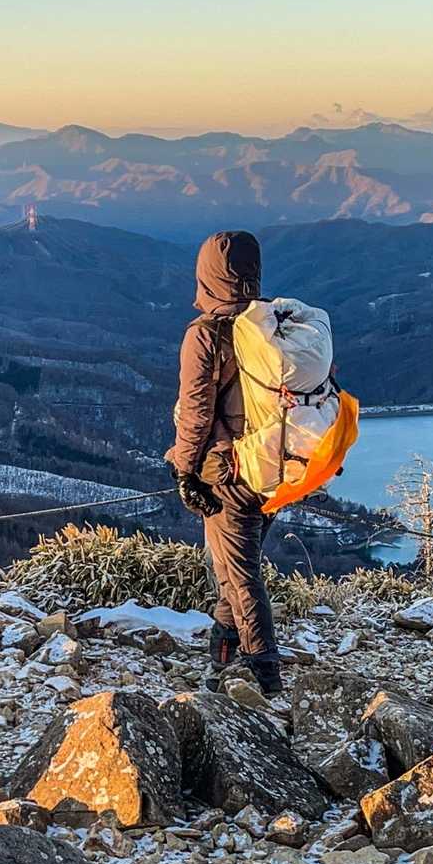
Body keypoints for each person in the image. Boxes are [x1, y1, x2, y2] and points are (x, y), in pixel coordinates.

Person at [165, 230, 283, 694]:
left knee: (239, 574)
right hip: (278, 466)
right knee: (232, 566)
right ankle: (221, 662)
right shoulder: (272, 321)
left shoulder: (206, 334)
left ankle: (264, 678)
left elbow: (196, 413)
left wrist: (184, 470)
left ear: (206, 275)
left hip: (230, 470)